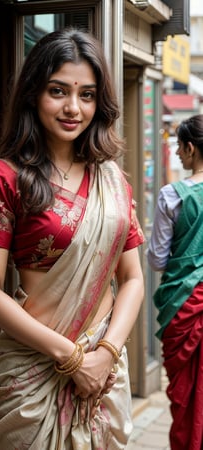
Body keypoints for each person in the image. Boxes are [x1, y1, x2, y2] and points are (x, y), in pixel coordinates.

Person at [0, 27, 144, 450]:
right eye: (58, 91)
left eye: (86, 95)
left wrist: (105, 354)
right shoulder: (5, 176)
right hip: (32, 375)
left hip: (104, 373)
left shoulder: (113, 181)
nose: (73, 108)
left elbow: (133, 278)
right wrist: (72, 358)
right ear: (32, 94)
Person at [147, 114, 203, 450]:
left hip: (182, 305)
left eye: (180, 149)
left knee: (185, 400)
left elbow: (156, 259)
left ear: (190, 148)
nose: (178, 156)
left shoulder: (172, 195)